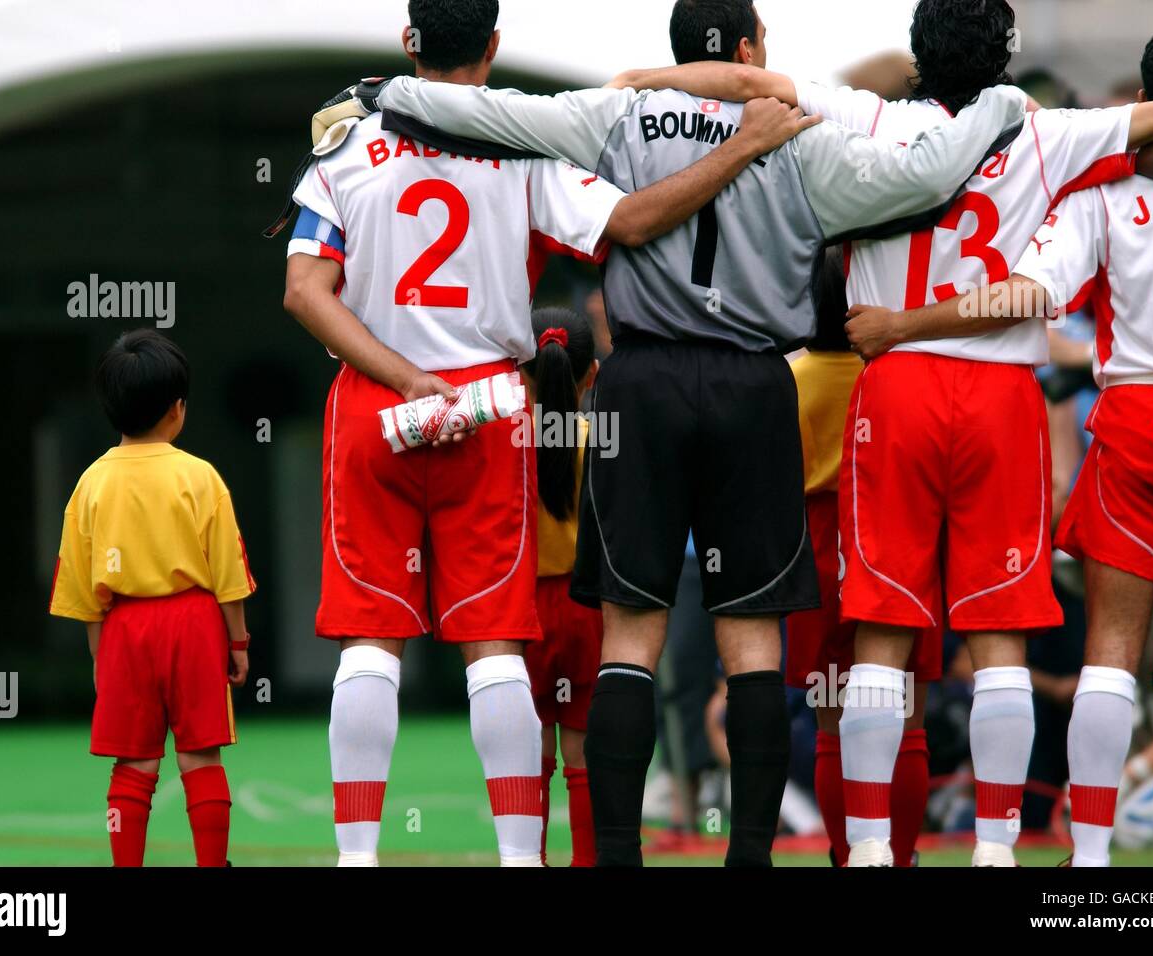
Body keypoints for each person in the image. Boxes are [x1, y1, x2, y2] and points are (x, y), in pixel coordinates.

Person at [347, 0, 1029, 867]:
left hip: (642, 382)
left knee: (632, 633)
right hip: (752, 382)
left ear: (678, 52)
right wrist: (1001, 105)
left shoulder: (619, 111)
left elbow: (486, 112)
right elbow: (924, 182)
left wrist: (384, 93)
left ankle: (620, 858)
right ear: (746, 52)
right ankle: (749, 858)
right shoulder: (801, 130)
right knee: (751, 638)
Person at [614, 0, 1153, 867]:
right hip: (1003, 392)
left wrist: (646, 80)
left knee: (881, 632)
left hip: (896, 386)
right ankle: (1003, 850)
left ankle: (863, 851)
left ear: (915, 53)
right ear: (1005, 51)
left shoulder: (870, 116)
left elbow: (749, 81)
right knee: (1002, 634)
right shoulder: (1052, 132)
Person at [278, 0, 810, 868]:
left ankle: (357, 858)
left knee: (370, 641)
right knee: (494, 647)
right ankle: (522, 859)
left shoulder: (347, 144)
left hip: (375, 408)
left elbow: (305, 291)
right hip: (489, 410)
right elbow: (631, 222)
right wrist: (740, 147)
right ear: (492, 46)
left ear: (409, 43)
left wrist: (402, 376)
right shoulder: (523, 145)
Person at [843, 25, 1153, 867]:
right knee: (1014, 630)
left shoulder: (1101, 186)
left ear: (1146, 100)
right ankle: (1001, 850)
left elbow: (1028, 293)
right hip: (1108, 410)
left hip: (1125, 423)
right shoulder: (1066, 144)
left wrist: (902, 324)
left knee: (1103, 659)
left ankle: (1078, 861)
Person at [48, 329, 257, 867]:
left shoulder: (90, 484)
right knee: (200, 755)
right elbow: (227, 571)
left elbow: (80, 583)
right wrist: (238, 641)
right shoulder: (201, 477)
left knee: (133, 763)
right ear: (178, 409)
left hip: (122, 629)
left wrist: (100, 656)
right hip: (192, 624)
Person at [785, 249, 941, 867]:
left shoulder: (790, 380)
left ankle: (847, 856)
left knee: (830, 726)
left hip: (816, 551)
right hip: (895, 538)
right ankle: (900, 858)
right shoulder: (893, 372)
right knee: (906, 720)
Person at [520, 307, 602, 867]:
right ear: (591, 374)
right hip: (587, 607)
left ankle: (527, 859)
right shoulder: (601, 439)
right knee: (583, 757)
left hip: (518, 612)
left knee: (526, 756)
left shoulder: (501, 445)